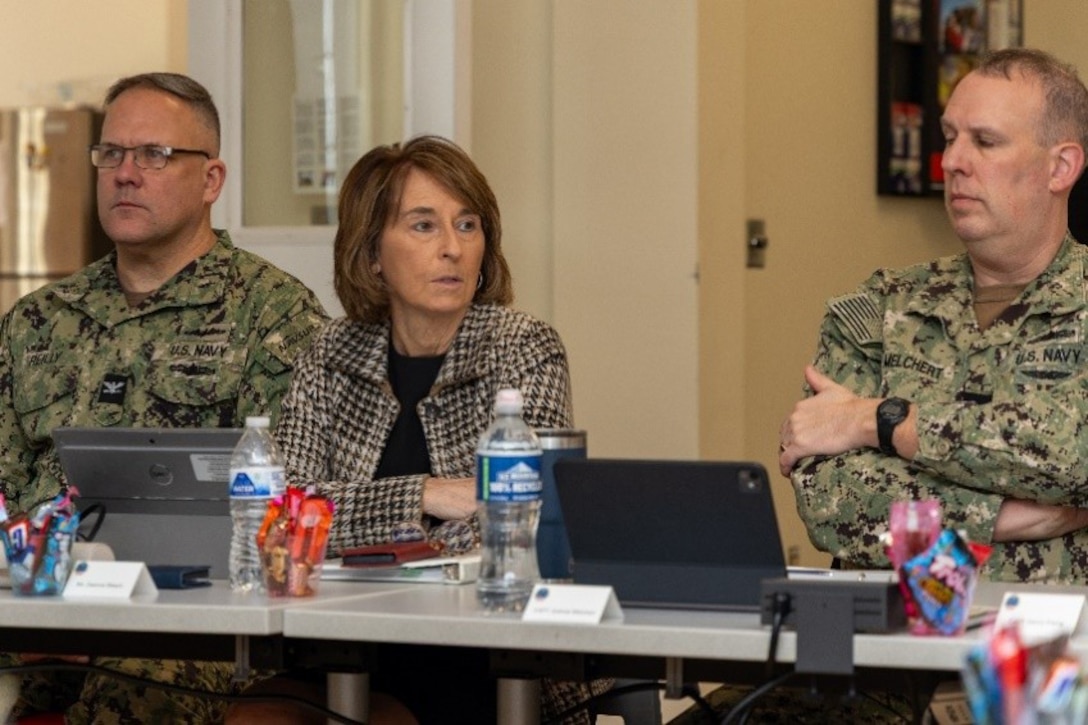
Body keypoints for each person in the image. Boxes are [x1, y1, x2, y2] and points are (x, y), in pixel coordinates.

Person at [226, 135, 608, 724]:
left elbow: (516, 521)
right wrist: (426, 494)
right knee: (257, 717)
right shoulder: (331, 353)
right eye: (424, 227)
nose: (453, 249)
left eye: (468, 225)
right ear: (372, 252)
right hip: (338, 637)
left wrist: (351, 529)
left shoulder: (523, 347)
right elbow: (283, 512)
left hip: (479, 653)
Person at [0, 72, 328, 722]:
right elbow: (4, 487)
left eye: (154, 155)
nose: (126, 173)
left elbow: (298, 498)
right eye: (111, 153)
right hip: (47, 609)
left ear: (211, 180)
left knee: (130, 687)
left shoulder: (274, 315)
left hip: (201, 626)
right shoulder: (38, 320)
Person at [779, 48, 1088, 583]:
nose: (952, 162)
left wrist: (877, 420)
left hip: (1055, 652)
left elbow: (1073, 457)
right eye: (950, 137)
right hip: (889, 648)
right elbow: (832, 502)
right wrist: (1000, 518)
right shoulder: (879, 308)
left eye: (985, 142)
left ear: (1060, 167)